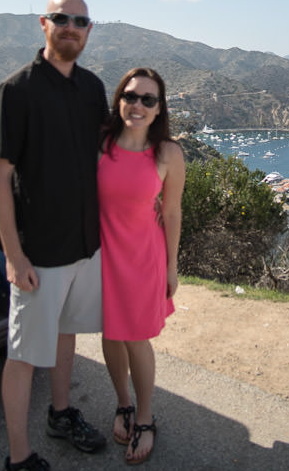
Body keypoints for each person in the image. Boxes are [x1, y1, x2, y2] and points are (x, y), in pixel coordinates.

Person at [0, 0, 109, 471]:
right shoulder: (16, 90)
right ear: (44, 24)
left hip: (83, 245)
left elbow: (105, 155)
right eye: (62, 18)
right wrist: (15, 257)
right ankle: (19, 457)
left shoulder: (93, 88)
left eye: (80, 20)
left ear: (89, 30)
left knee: (65, 335)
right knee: (22, 355)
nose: (71, 26)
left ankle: (61, 414)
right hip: (37, 253)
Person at [98, 67, 185, 465]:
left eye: (148, 99)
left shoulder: (168, 153)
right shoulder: (99, 144)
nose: (138, 105)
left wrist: (171, 266)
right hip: (101, 256)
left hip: (143, 257)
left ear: (158, 108)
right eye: (131, 96)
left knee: (135, 337)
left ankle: (146, 418)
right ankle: (123, 404)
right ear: (119, 100)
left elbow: (171, 213)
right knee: (111, 334)